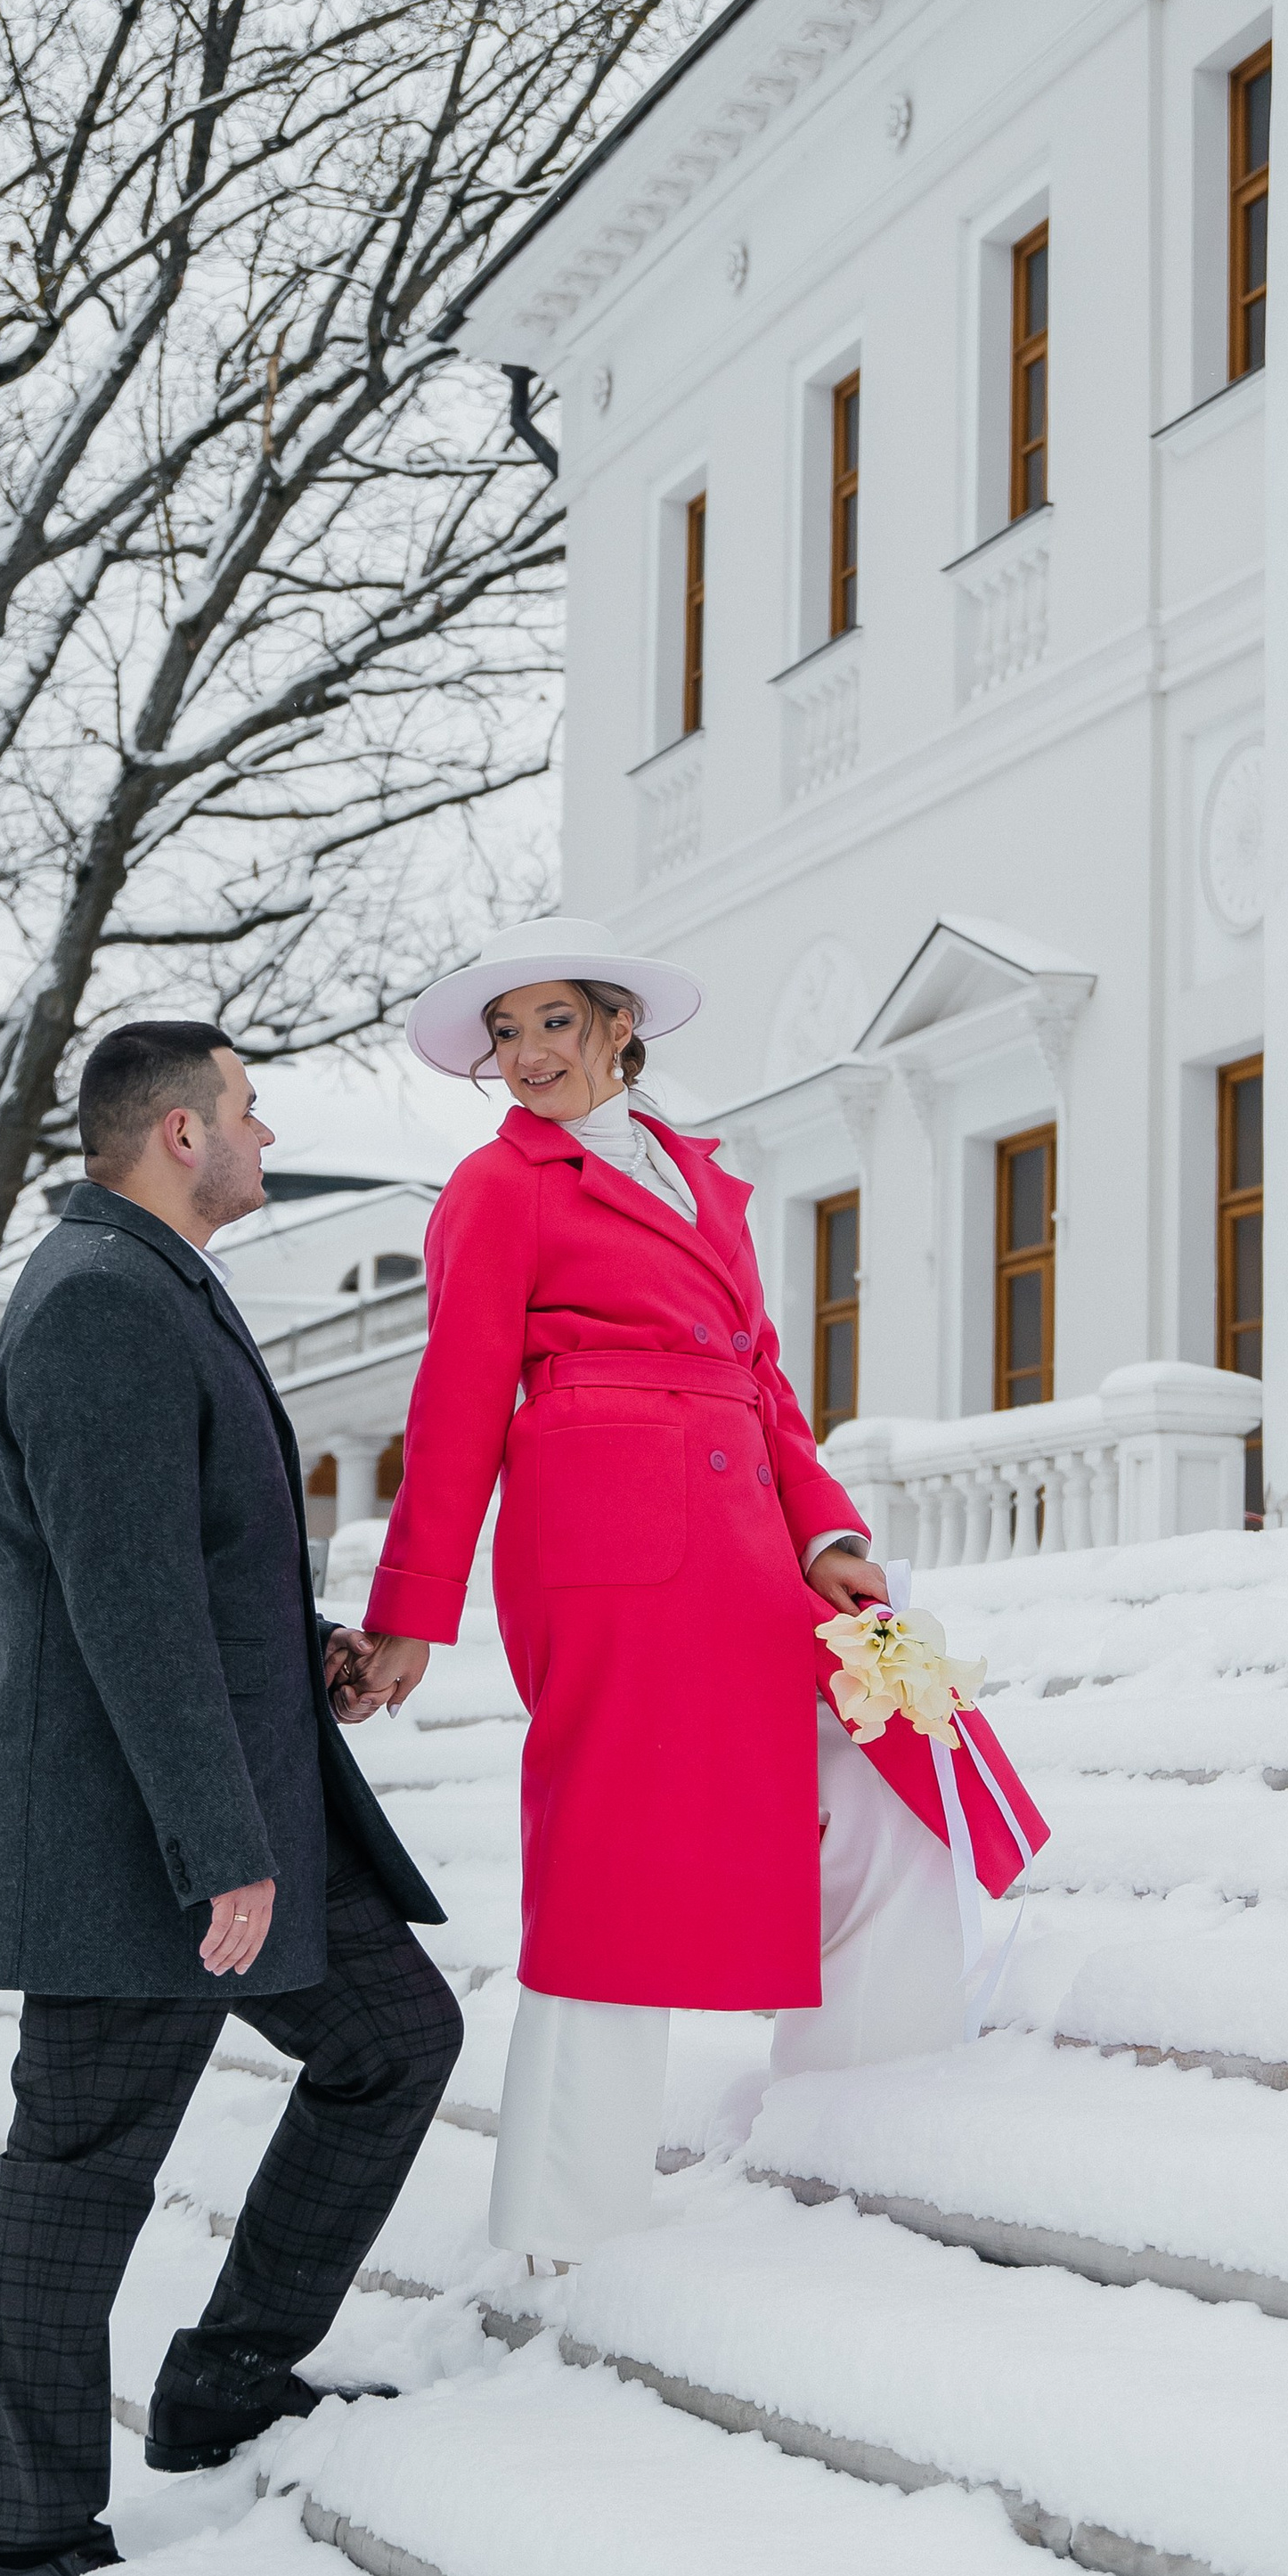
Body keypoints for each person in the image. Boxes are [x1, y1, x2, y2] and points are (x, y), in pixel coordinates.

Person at [350, 916, 1040, 2264]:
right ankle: (565, 2222)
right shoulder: (499, 1188)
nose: (530, 1052)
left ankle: (855, 2115)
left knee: (884, 1790)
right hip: (605, 1550)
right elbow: (454, 1406)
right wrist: (409, 1612)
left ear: (619, 1025)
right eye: (507, 1032)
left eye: (556, 1021)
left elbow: (765, 1377)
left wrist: (822, 1530)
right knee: (609, 1868)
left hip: (740, 1546)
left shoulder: (699, 1177)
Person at [0, 1020, 461, 2576]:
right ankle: (26, 2550)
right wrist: (214, 1846)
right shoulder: (99, 1302)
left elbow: (197, 1559)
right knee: (81, 2169)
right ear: (180, 1131)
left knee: (391, 2039)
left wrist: (305, 1646)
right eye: (248, 1107)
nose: (265, 1128)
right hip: (140, 1848)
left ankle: (228, 2375)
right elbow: (128, 1607)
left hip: (222, 1810)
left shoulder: (150, 1279)